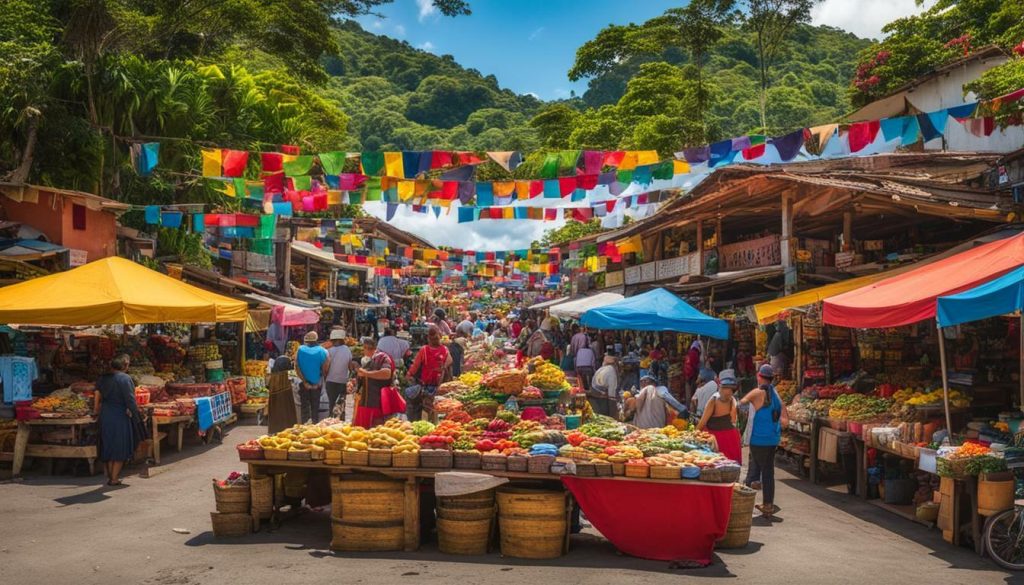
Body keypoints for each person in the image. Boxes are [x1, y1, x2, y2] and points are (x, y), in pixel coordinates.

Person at [741, 364, 788, 518]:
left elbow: (740, 404)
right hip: (772, 439)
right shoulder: (776, 395)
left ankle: (743, 505)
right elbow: (785, 421)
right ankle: (768, 504)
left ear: (759, 376)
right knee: (767, 471)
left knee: (754, 472)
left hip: (758, 439)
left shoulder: (757, 392)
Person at [95, 354, 142, 486]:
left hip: (105, 414)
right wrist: (135, 412)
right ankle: (114, 478)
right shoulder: (125, 378)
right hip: (119, 415)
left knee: (108, 445)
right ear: (125, 366)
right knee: (120, 446)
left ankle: (111, 477)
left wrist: (96, 410)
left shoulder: (103, 378)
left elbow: (97, 393)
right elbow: (130, 399)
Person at [406, 325, 452, 421]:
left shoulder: (424, 350)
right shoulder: (444, 349)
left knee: (425, 408)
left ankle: (425, 423)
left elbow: (415, 366)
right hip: (440, 385)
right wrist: (443, 367)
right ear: (440, 337)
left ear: (428, 338)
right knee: (439, 409)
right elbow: (450, 361)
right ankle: (435, 423)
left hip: (427, 385)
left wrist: (409, 375)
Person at [696, 372, 742, 464]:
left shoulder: (714, 400)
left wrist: (693, 434)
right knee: (731, 468)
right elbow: (733, 420)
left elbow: (702, 423)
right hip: (731, 438)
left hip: (717, 440)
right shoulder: (733, 400)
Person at [352, 337, 395, 428]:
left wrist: (366, 373)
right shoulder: (367, 359)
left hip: (377, 403)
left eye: (365, 348)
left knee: (376, 433)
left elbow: (387, 373)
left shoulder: (382, 357)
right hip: (365, 403)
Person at [295, 331, 329, 423]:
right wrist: (320, 381)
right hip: (317, 383)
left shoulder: (300, 349)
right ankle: (314, 425)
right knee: (315, 407)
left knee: (304, 407)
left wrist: (305, 381)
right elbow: (325, 368)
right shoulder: (323, 351)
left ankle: (304, 426)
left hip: (303, 383)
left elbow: (297, 367)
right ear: (316, 340)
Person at [325, 329, 354, 421]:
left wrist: (325, 376)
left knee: (332, 403)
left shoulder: (329, 351)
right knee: (342, 403)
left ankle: (331, 420)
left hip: (331, 380)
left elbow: (326, 367)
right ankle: (341, 420)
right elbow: (350, 366)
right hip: (343, 380)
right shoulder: (347, 350)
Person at [267, 353, 296, 433]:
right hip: (287, 397)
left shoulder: (273, 377)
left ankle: (276, 429)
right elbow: (294, 381)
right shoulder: (289, 374)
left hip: (276, 399)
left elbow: (268, 385)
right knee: (287, 411)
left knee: (276, 411)